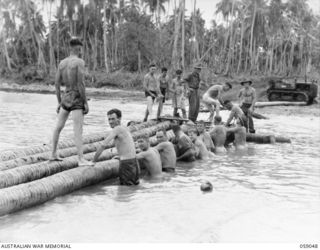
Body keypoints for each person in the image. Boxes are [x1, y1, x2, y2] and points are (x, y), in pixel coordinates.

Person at [50, 37, 93, 166]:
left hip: (66, 96)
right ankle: (81, 159)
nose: (81, 51)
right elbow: (80, 83)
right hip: (76, 97)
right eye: (80, 49)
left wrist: (59, 102)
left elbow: (57, 85)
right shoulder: (79, 62)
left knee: (58, 127)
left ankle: (53, 154)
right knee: (78, 130)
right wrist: (85, 102)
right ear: (78, 48)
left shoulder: (62, 63)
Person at [93, 109, 140, 186]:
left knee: (125, 192)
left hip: (127, 164)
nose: (110, 122)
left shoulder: (117, 129)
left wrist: (93, 161)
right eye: (109, 119)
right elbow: (128, 145)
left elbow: (103, 145)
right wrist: (121, 156)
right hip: (134, 162)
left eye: (113, 119)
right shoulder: (124, 128)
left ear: (119, 118)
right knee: (132, 190)